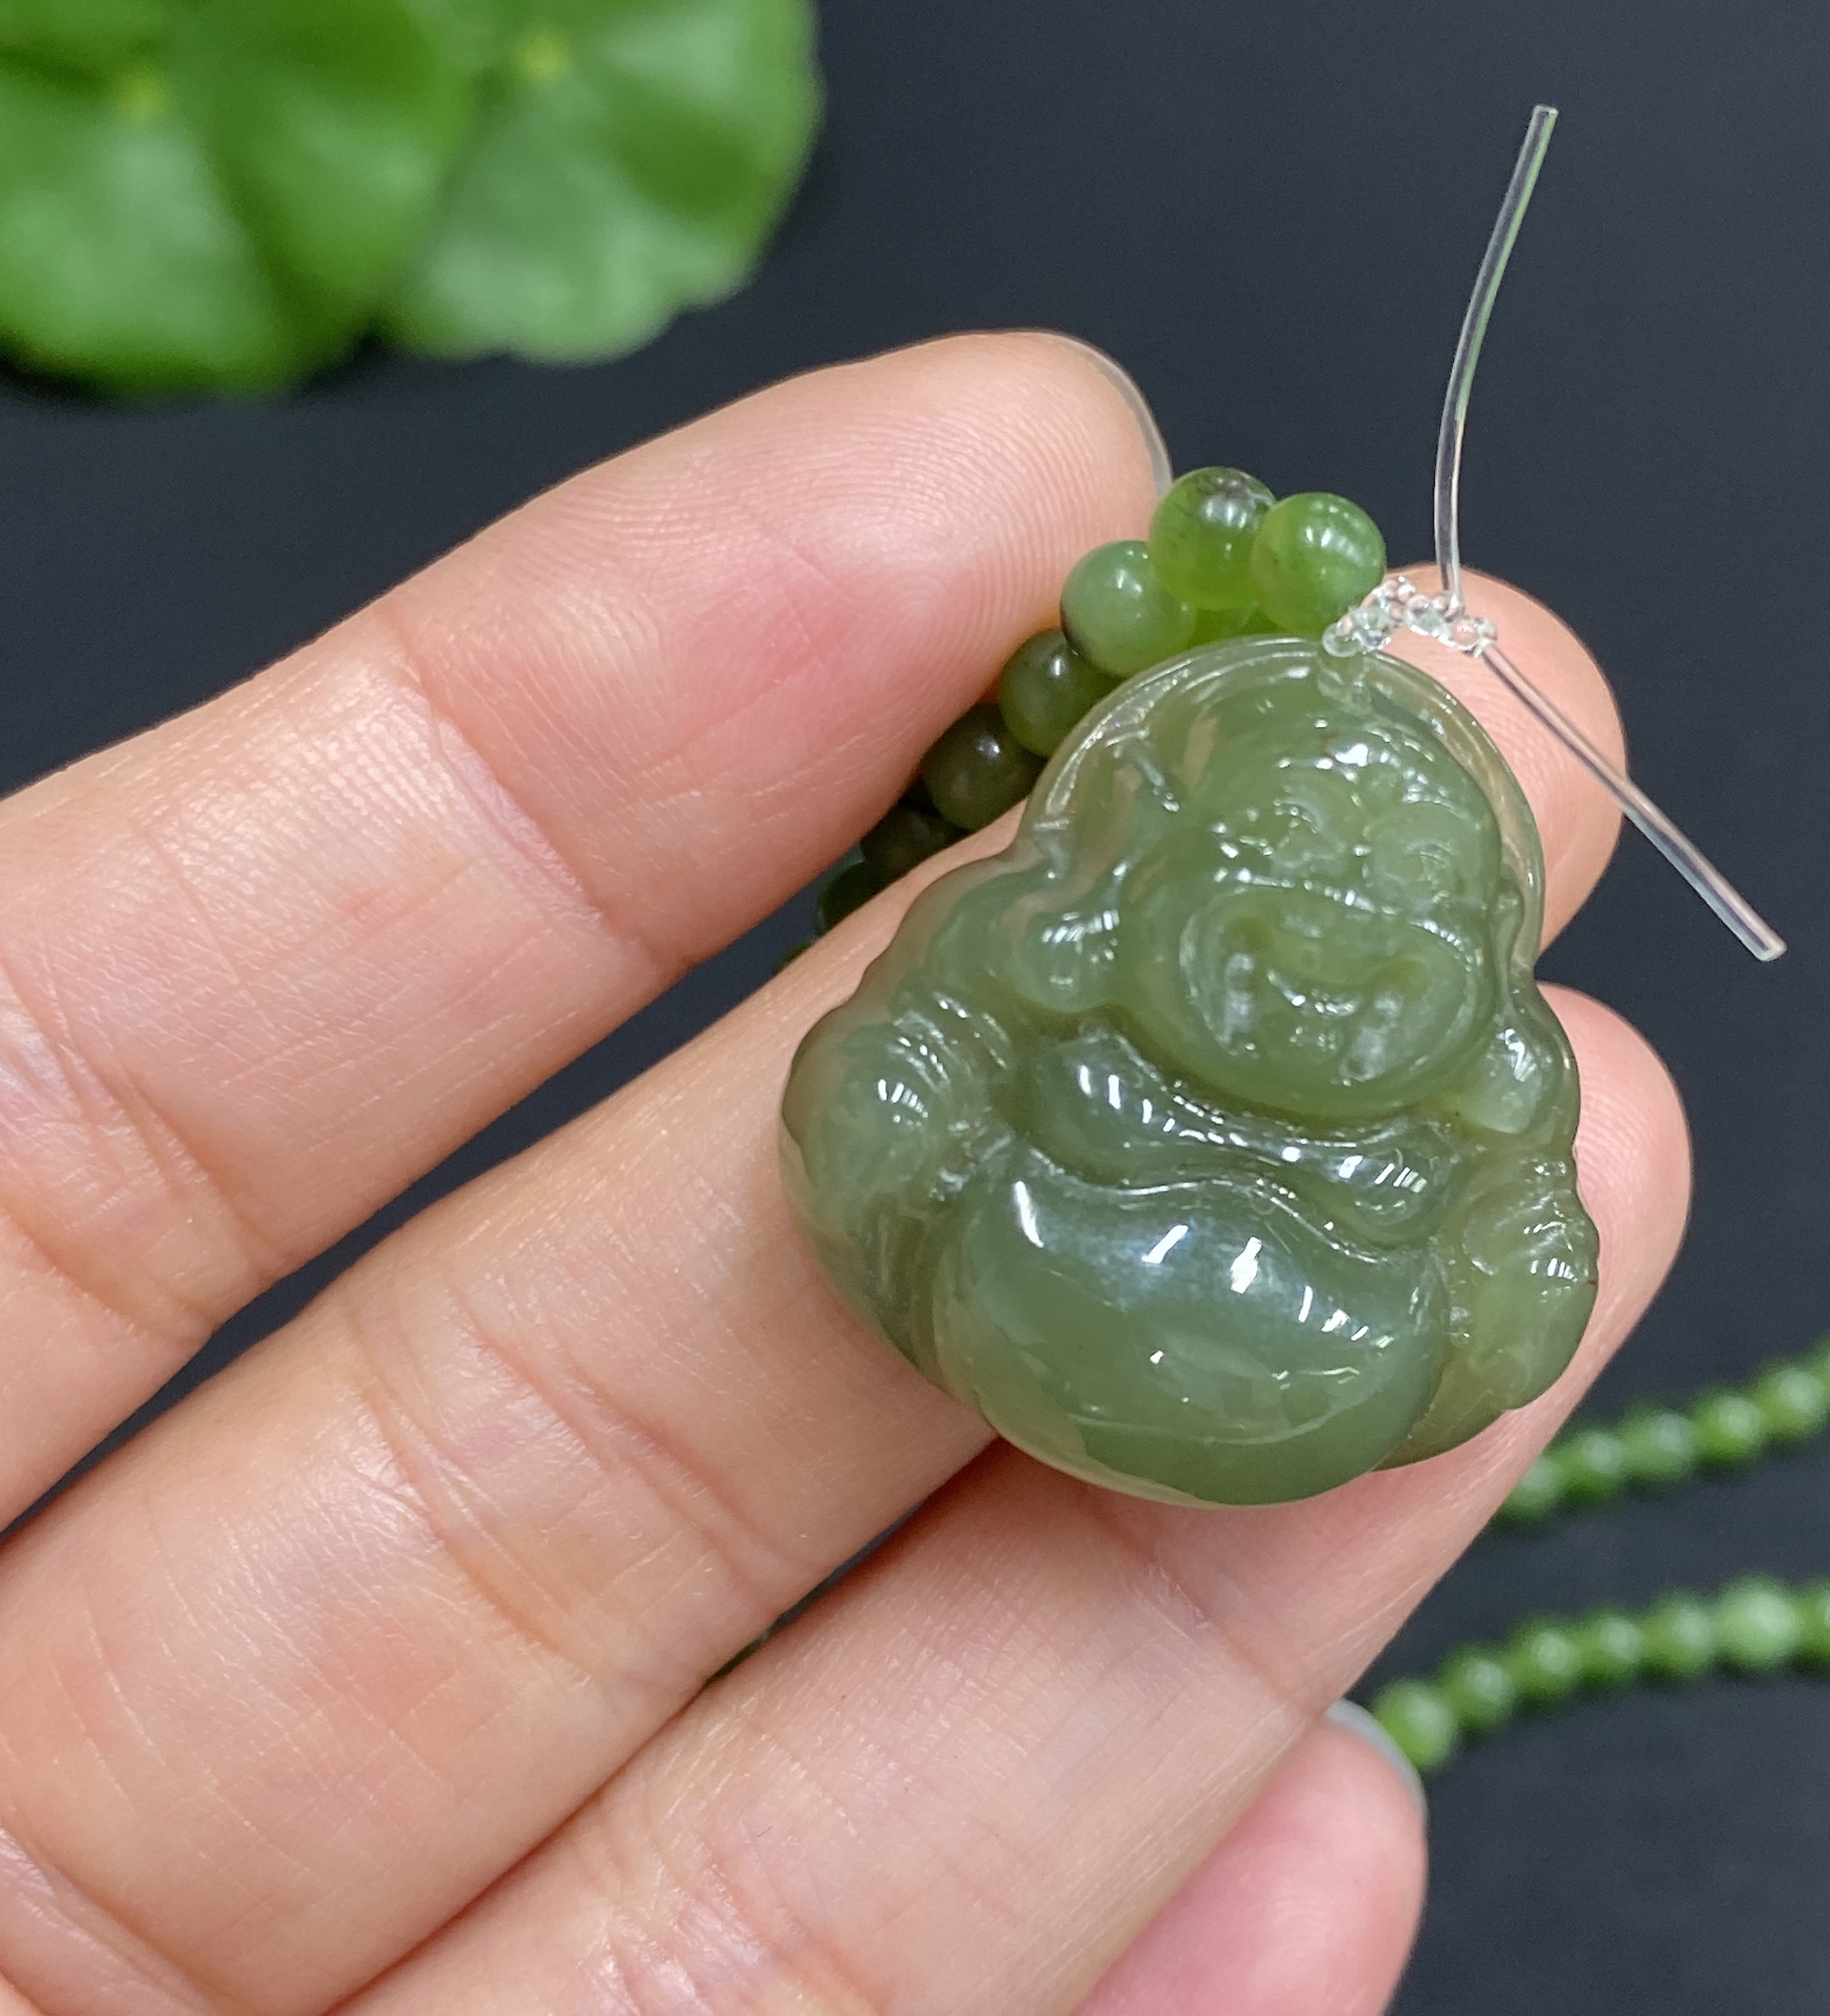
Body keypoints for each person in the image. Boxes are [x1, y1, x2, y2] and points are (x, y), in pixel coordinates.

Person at [0, 332, 1686, 2015]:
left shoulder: (1479, 1089)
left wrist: (1509, 1289)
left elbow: (1519, 1251)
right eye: (1284, 864)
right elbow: (911, 1061)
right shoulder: (1047, 955)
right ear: (1146, 871)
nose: (1335, 929)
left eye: (1403, 906)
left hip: (1335, 1345)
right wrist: (899, 1121)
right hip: (1037, 1249)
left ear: (1476, 948)